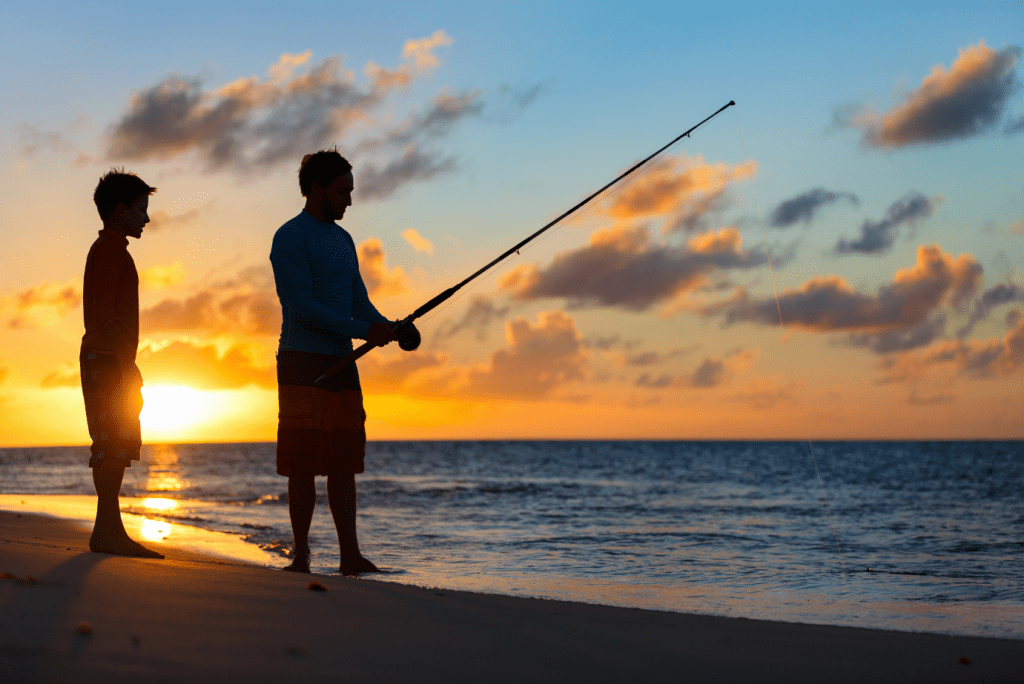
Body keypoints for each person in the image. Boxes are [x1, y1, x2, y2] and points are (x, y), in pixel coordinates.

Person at [270, 148, 400, 575]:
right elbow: (302, 307)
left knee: (344, 462)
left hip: (344, 361)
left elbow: (358, 302)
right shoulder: (290, 237)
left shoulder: (344, 241)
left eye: (351, 191)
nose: (349, 200)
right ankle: (301, 556)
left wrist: (390, 327)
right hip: (302, 361)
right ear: (318, 188)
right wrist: (365, 330)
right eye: (343, 191)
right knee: (303, 464)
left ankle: (350, 556)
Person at [80, 168, 163, 559]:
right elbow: (104, 315)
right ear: (119, 210)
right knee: (113, 443)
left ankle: (109, 528)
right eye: (141, 209)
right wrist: (127, 365)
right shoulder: (110, 252)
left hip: (109, 358)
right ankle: (106, 531)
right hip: (108, 359)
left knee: (113, 442)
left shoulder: (112, 250)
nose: (146, 218)